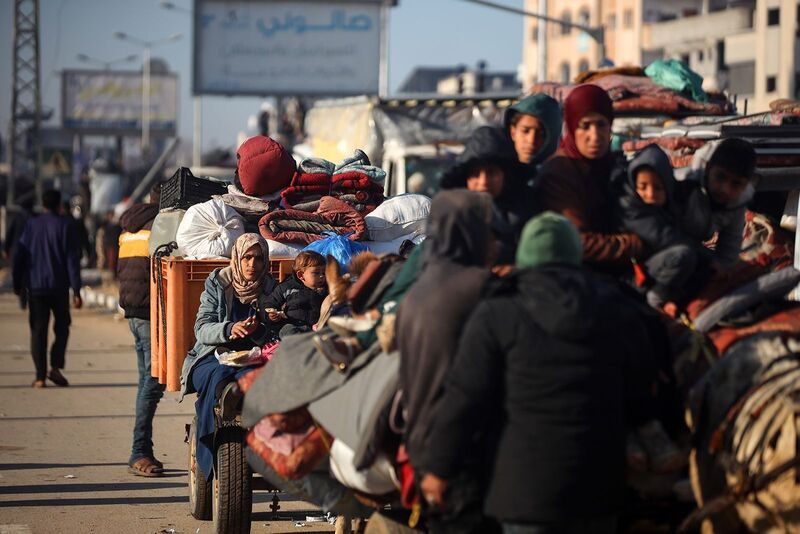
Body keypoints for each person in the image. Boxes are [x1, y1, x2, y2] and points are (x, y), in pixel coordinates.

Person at [420, 212, 658, 534]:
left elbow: (465, 398)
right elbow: (641, 388)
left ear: (524, 255)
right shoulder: (615, 307)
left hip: (524, 493)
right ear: (575, 254)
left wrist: (440, 468)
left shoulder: (498, 312)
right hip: (598, 489)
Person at [396, 189, 497, 534]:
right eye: (486, 230)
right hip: (463, 449)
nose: (493, 240)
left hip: (422, 445)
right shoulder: (480, 287)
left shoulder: (417, 292)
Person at [179, 233, 277, 482]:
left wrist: (263, 328)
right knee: (220, 377)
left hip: (254, 356)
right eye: (247, 258)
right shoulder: (218, 283)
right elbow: (202, 328)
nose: (252, 265)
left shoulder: (271, 287)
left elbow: (279, 329)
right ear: (237, 257)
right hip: (213, 354)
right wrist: (230, 329)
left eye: (258, 258)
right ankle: (213, 438)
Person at [537, 84, 644, 274]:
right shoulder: (558, 172)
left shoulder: (612, 165)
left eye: (601, 124)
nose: (594, 136)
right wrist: (636, 245)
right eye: (585, 126)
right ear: (571, 127)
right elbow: (578, 241)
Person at [117, 183, 166, 477]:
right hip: (149, 312)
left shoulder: (129, 226)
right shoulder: (161, 226)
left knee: (145, 381)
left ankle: (142, 448)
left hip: (133, 310)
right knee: (153, 380)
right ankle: (139, 450)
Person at [13, 189, 82, 388]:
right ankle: (55, 367)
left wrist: (17, 283)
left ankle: (40, 377)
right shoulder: (65, 226)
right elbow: (72, 260)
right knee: (62, 328)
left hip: (36, 288)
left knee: (38, 331)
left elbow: (20, 255)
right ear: (59, 205)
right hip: (59, 288)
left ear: (42, 204)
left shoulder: (31, 225)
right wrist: (76, 290)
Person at [617, 144, 697, 310]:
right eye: (643, 187)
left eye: (658, 188)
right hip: (632, 277)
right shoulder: (630, 207)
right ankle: (656, 298)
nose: (650, 194)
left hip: (653, 267)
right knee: (682, 255)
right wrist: (710, 259)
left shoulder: (670, 206)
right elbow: (664, 238)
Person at [440, 126, 531, 266]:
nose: (484, 182)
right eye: (475, 174)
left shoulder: (529, 209)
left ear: (506, 175)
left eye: (492, 172)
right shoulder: (453, 216)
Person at [676, 138, 757, 270]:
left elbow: (728, 251)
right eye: (720, 177)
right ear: (708, 168)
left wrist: (720, 268)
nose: (725, 189)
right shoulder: (683, 186)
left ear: (745, 185)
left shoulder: (738, 202)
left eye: (736, 184)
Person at [265, 250, 327, 337]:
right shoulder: (287, 287)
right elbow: (271, 302)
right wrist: (272, 314)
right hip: (293, 325)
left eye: (324, 273)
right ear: (301, 275)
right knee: (287, 329)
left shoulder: (325, 290)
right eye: (316, 273)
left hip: (316, 328)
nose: (322, 276)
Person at [504, 92, 563, 173]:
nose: (531, 140)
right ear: (513, 132)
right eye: (525, 131)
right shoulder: (499, 174)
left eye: (541, 134)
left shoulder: (560, 176)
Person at [3, 197, 34, 262]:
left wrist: (6, 249)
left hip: (17, 249)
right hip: (31, 250)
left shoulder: (17, 217)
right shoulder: (35, 218)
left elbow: (10, 234)